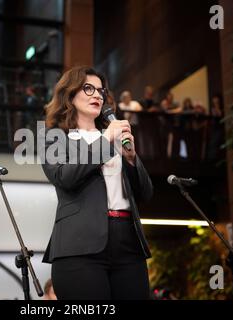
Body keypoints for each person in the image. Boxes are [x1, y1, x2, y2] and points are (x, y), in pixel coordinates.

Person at [41, 66, 153, 300]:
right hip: (79, 247)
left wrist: (131, 159)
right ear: (69, 94)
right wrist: (105, 139)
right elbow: (65, 177)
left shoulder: (115, 137)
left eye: (101, 91)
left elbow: (145, 192)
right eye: (88, 88)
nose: (97, 95)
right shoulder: (54, 137)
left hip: (128, 242)